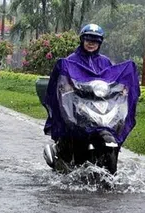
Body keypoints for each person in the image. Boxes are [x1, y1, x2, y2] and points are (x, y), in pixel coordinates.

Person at [43, 24, 113, 166]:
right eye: (88, 39)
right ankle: (63, 151)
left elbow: (112, 79)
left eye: (95, 40)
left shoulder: (105, 61)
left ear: (100, 42)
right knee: (73, 131)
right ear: (82, 40)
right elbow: (62, 81)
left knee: (110, 129)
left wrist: (121, 89)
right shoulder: (71, 60)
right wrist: (67, 88)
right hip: (77, 105)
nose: (91, 43)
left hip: (98, 105)